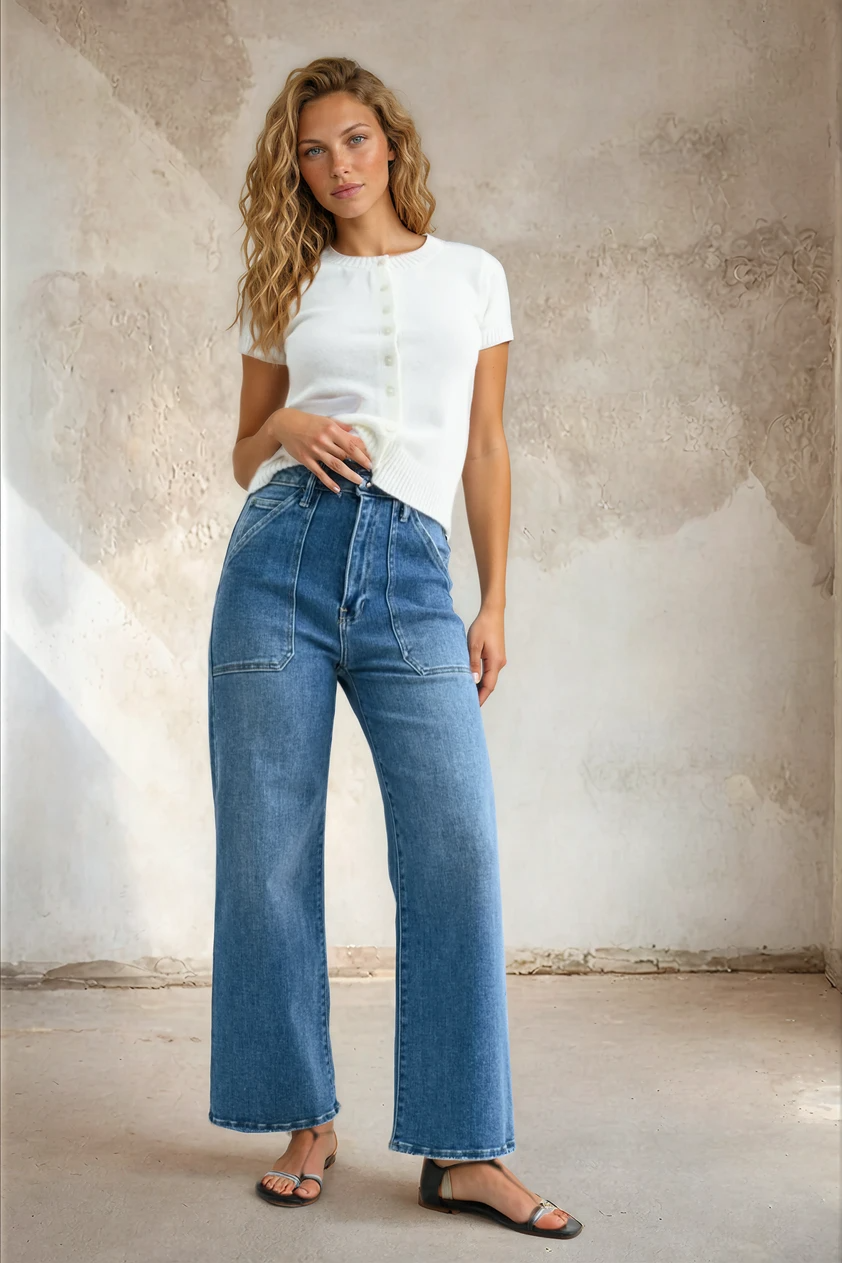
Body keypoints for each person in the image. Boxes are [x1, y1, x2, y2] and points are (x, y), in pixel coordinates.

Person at [207, 55, 583, 1241]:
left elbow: (483, 448)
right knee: (268, 853)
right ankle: (302, 1116)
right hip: (277, 558)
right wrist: (279, 421)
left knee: (456, 850)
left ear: (390, 142)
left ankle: (465, 1149)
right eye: (312, 151)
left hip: (414, 569)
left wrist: (494, 599)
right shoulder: (287, 279)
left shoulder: (473, 277)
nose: (335, 167)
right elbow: (239, 455)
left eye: (354, 140)